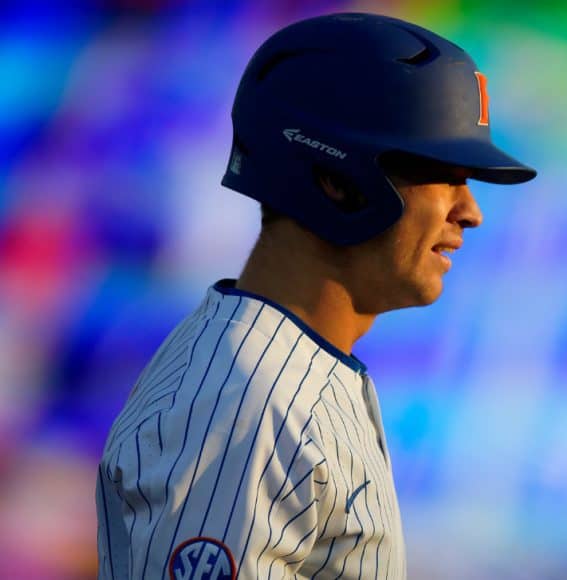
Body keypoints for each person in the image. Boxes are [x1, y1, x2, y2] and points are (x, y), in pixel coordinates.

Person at [95, 12, 535, 579]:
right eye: (441, 173)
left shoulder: (280, 374)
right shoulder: (247, 406)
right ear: (337, 178)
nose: (469, 212)